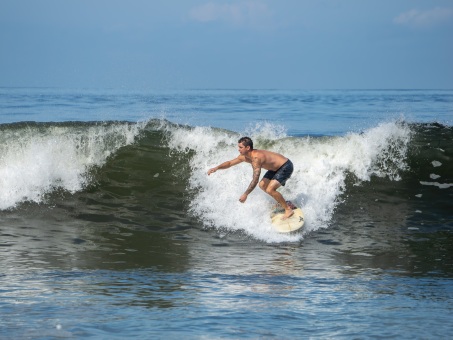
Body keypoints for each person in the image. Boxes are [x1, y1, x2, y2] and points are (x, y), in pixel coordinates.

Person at [207, 137, 294, 220]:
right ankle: (282, 202)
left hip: (285, 166)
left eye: (241, 147)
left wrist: (245, 194)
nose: (238, 149)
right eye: (239, 147)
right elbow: (230, 163)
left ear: (248, 147)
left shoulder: (256, 158)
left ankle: (288, 209)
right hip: (274, 168)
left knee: (270, 189)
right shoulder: (244, 156)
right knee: (262, 185)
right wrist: (216, 168)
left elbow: (255, 179)